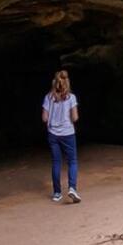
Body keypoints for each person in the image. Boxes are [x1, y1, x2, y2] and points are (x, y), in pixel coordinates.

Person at [41, 70, 80, 203]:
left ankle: (57, 193)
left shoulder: (48, 97)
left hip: (53, 134)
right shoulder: (71, 97)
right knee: (72, 161)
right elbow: (75, 118)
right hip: (68, 133)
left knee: (56, 162)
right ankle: (72, 188)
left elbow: (44, 118)